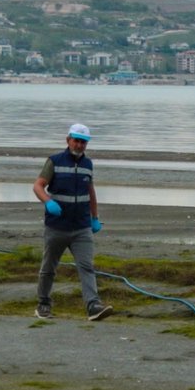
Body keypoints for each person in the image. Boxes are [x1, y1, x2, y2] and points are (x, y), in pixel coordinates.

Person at [33, 123, 112, 321]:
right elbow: (38, 186)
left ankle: (93, 305)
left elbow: (90, 192)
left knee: (86, 267)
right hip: (57, 227)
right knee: (48, 268)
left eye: (83, 142)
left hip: (82, 227)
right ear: (68, 140)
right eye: (76, 141)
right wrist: (48, 202)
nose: (79, 145)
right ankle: (43, 304)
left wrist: (95, 218)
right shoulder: (54, 161)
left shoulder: (88, 164)